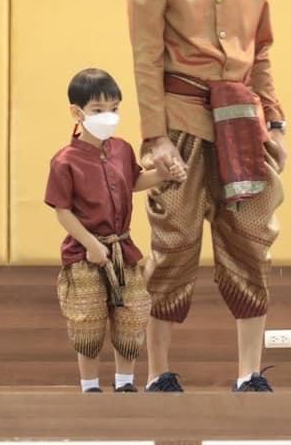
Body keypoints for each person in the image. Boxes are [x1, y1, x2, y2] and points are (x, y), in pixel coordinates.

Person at [127, 0, 288, 393]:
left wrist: (276, 124)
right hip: (180, 123)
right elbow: (146, 56)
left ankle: (250, 374)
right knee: (173, 242)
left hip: (242, 124)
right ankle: (158, 373)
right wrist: (154, 138)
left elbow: (260, 54)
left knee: (251, 240)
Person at [45, 69, 186, 393]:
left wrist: (163, 174)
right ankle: (90, 386)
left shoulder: (122, 149)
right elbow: (62, 210)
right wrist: (90, 244)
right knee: (88, 319)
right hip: (85, 254)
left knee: (132, 315)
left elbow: (134, 181)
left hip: (124, 250)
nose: (108, 116)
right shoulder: (64, 161)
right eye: (98, 109)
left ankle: (125, 383)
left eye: (114, 108)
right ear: (77, 112)